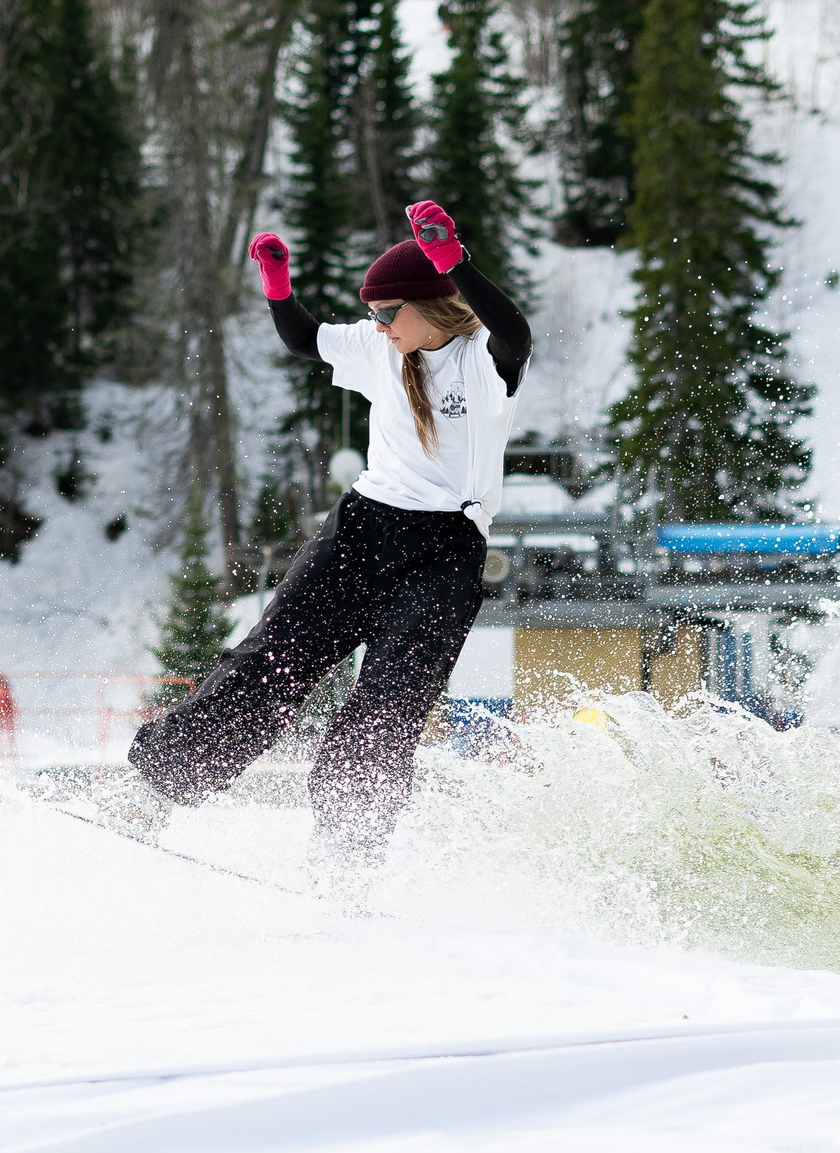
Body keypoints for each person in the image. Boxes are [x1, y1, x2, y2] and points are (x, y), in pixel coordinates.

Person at [114, 201, 531, 883]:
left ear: (430, 303)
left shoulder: (481, 361)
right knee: (270, 661)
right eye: (374, 315)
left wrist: (456, 261)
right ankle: (153, 789)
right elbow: (304, 337)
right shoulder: (376, 348)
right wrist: (279, 285)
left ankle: (347, 849)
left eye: (390, 313)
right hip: (362, 531)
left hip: (444, 553)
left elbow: (516, 333)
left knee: (387, 705)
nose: (379, 326)